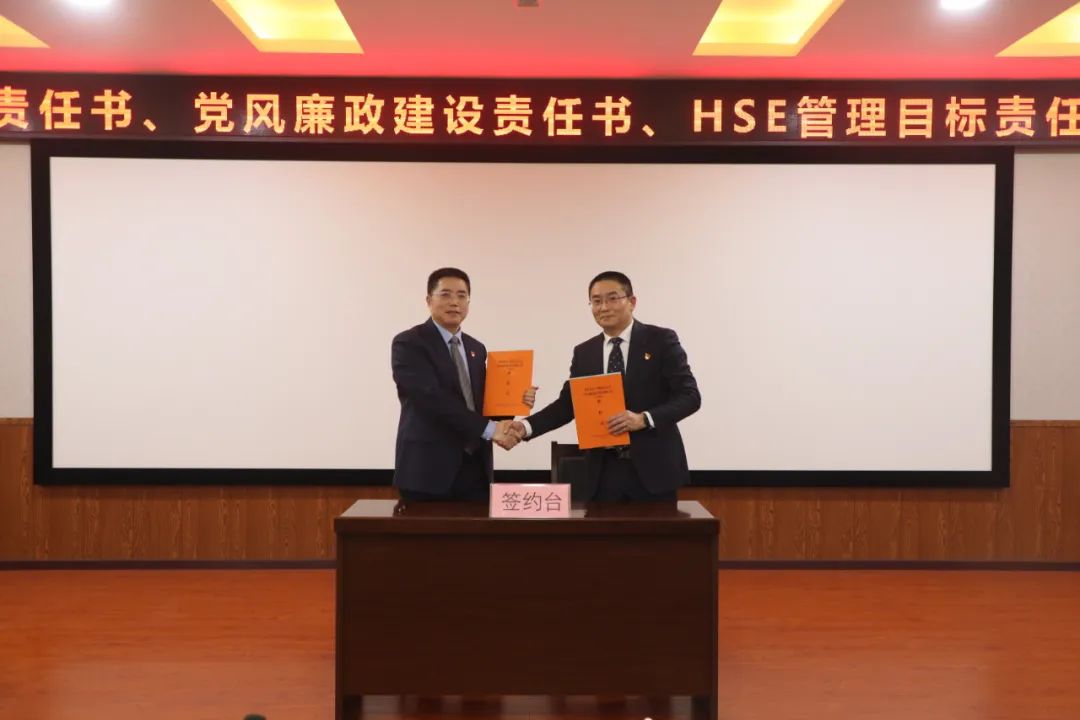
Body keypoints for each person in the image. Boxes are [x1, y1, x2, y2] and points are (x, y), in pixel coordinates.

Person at [511, 271, 700, 502]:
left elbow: (690, 396)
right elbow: (568, 405)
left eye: (612, 298)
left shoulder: (660, 340)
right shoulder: (585, 352)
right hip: (602, 472)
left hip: (654, 470)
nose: (603, 307)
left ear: (632, 302)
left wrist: (644, 419)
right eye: (596, 301)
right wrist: (525, 427)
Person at [391, 268, 534, 501]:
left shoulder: (476, 348)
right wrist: (490, 430)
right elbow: (431, 398)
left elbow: (482, 404)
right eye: (445, 294)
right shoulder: (409, 343)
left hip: (476, 468)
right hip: (427, 470)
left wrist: (514, 402)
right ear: (428, 300)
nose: (454, 302)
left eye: (461, 295)